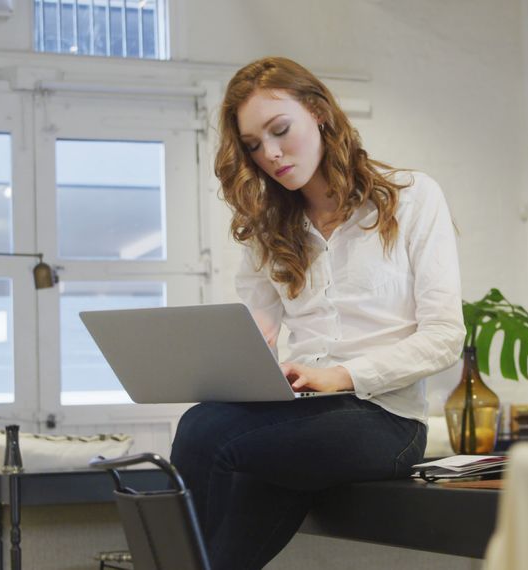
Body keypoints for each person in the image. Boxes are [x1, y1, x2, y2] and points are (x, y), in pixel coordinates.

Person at [169, 56, 465, 569]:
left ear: (320, 112)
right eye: (254, 146)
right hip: (299, 418)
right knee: (221, 557)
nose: (272, 154)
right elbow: (257, 329)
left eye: (280, 131)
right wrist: (241, 359)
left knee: (204, 431)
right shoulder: (269, 230)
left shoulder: (414, 198)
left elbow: (444, 337)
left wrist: (341, 376)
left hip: (385, 420)